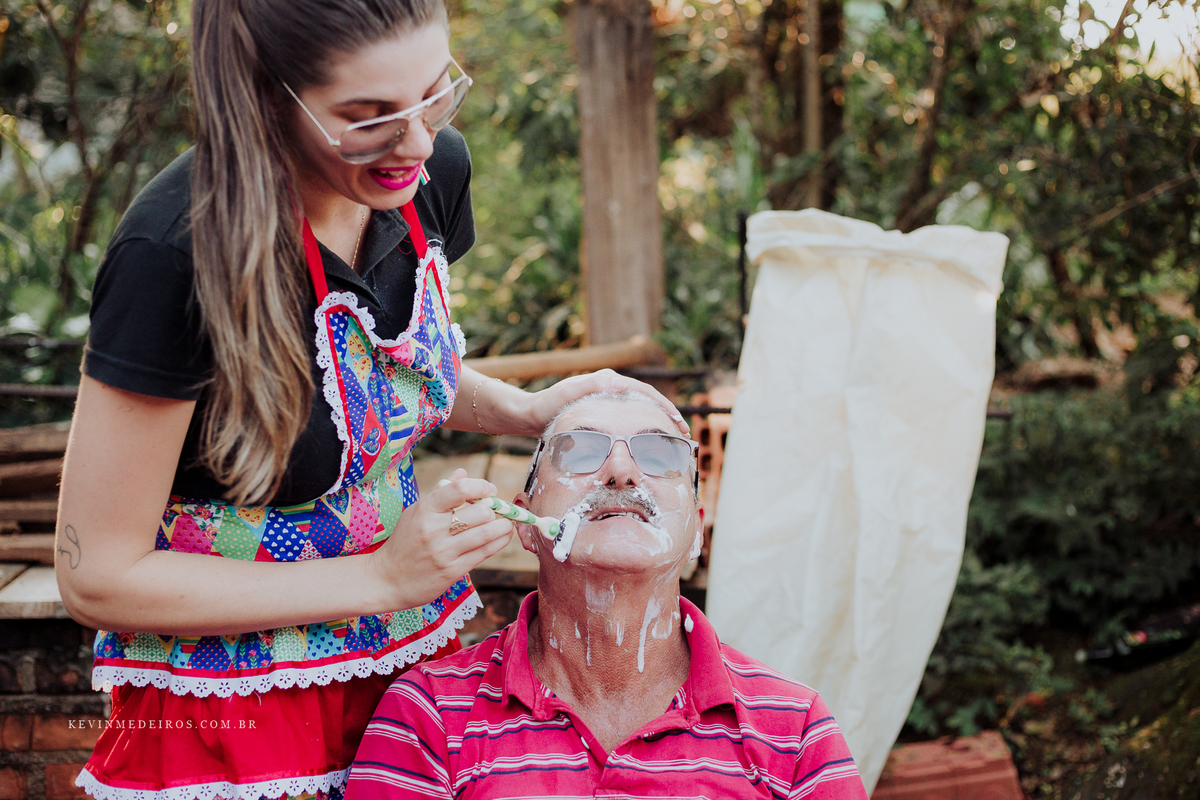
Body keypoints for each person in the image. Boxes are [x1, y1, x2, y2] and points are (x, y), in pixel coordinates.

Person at [54, 2, 686, 798]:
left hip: (403, 661)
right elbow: (98, 577)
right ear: (264, 97)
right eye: (368, 117)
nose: (417, 144)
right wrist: (382, 579)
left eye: (433, 95)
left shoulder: (427, 177)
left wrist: (518, 410)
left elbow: (371, 368)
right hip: (231, 710)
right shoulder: (172, 255)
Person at [345, 391, 869, 799]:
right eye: (580, 451)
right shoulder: (432, 715)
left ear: (698, 533)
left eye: (660, 454)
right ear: (525, 520)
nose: (621, 471)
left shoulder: (793, 728)